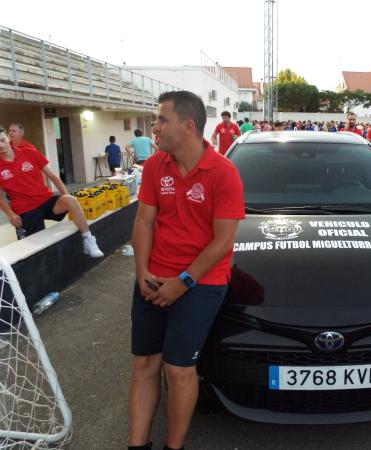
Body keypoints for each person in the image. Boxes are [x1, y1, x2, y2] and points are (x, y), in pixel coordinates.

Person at [128, 91, 244, 450]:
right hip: (153, 277)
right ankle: (136, 445)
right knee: (146, 362)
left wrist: (183, 282)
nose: (155, 126)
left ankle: (173, 446)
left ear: (188, 126)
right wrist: (142, 273)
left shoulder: (223, 174)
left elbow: (223, 242)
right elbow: (144, 221)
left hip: (201, 282)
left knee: (178, 369)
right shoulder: (154, 166)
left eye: (162, 119)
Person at [0, 126, 103, 255]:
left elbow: (53, 177)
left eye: (2, 140)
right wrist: (10, 214)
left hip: (45, 200)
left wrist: (68, 198)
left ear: (8, 138)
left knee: (70, 200)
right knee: (32, 251)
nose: (1, 145)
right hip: (24, 210)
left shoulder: (30, 153)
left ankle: (88, 240)